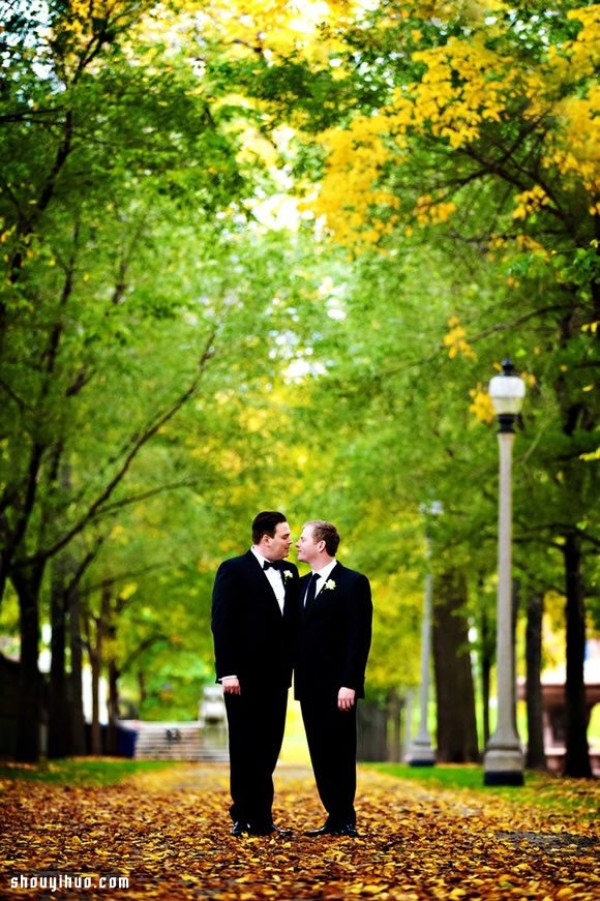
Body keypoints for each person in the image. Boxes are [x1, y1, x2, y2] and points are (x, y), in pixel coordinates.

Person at [211, 511, 298, 836]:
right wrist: (227, 672)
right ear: (266, 539)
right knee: (245, 744)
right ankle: (243, 814)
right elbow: (221, 623)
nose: (290, 542)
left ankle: (262, 817)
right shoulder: (232, 570)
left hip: (277, 677)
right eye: (285, 536)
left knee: (270, 745)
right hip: (242, 679)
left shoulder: (290, 572)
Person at [295, 520, 373, 837]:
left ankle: (346, 817)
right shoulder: (299, 586)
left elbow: (359, 636)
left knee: (341, 750)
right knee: (319, 752)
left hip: (340, 686)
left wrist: (350, 682)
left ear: (321, 545)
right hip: (308, 685)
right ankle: (332, 815)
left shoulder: (353, 583)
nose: (297, 544)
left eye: (302, 539)